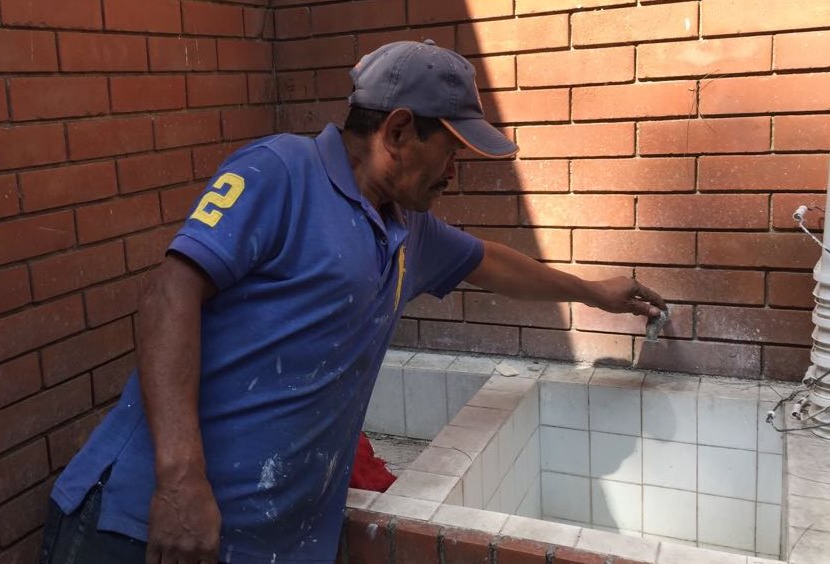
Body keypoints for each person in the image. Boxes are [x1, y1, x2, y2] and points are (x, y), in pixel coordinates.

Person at [40, 40, 666, 564]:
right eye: (450, 151)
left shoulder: (406, 227)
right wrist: (179, 479)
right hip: (151, 528)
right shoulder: (280, 171)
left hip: (264, 545)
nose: (455, 172)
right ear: (397, 130)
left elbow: (492, 263)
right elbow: (167, 296)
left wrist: (593, 293)